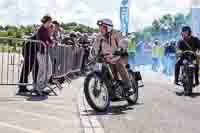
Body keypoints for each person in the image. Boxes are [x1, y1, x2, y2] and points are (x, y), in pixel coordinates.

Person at [94, 18, 132, 95]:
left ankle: (128, 86)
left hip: (120, 56)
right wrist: (93, 54)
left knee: (118, 63)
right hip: (107, 58)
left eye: (102, 27)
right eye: (99, 27)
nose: (100, 29)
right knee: (100, 69)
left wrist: (121, 49)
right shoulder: (99, 36)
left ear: (108, 27)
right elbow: (95, 47)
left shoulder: (116, 33)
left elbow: (124, 42)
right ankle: (110, 87)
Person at [35, 15, 55, 95]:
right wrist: (50, 42)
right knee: (46, 71)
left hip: (44, 52)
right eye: (50, 22)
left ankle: (39, 87)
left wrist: (51, 42)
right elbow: (43, 39)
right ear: (46, 21)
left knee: (45, 70)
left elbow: (47, 39)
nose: (50, 23)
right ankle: (39, 87)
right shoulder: (41, 29)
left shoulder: (45, 29)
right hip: (42, 52)